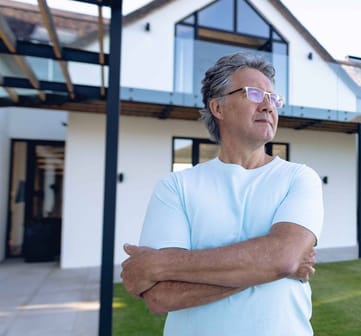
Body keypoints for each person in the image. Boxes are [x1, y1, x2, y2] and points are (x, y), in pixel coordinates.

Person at [120, 52, 324, 335]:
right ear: (218, 106)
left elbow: (282, 258)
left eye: (273, 98)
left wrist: (161, 264)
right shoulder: (176, 186)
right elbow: (160, 296)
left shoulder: (300, 178)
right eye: (254, 93)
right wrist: (270, 267)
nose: (268, 105)